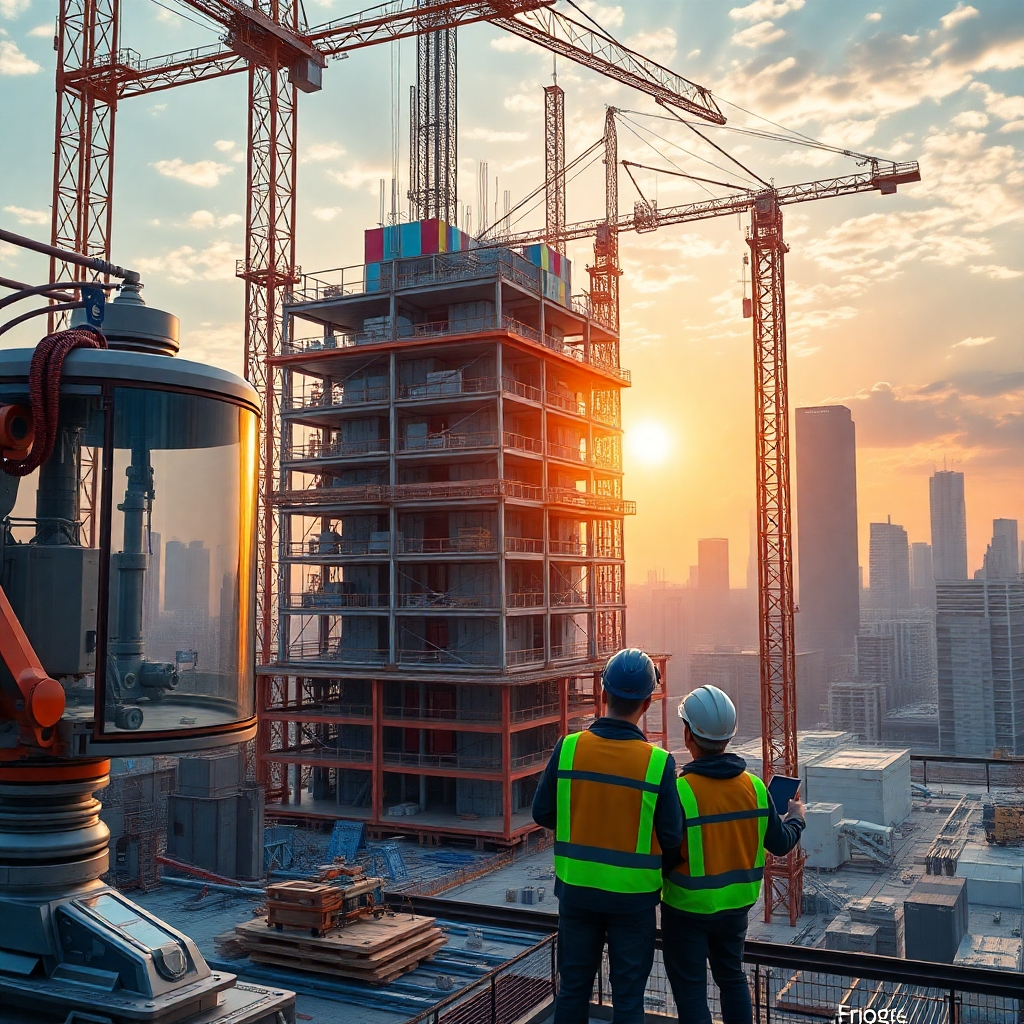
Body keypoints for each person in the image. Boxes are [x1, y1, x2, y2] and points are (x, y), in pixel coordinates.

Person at [532, 648, 682, 1024]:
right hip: (633, 902)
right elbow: (672, 836)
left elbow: (542, 812)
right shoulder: (658, 763)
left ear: (603, 694)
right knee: (629, 1000)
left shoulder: (568, 748)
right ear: (647, 702)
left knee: (572, 992)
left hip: (577, 893)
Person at [661, 685, 806, 1024]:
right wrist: (796, 817)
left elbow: (665, 853)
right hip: (736, 909)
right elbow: (780, 843)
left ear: (688, 735)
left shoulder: (680, 792)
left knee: (692, 992)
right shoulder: (755, 788)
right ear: (728, 738)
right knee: (732, 979)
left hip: (686, 909)